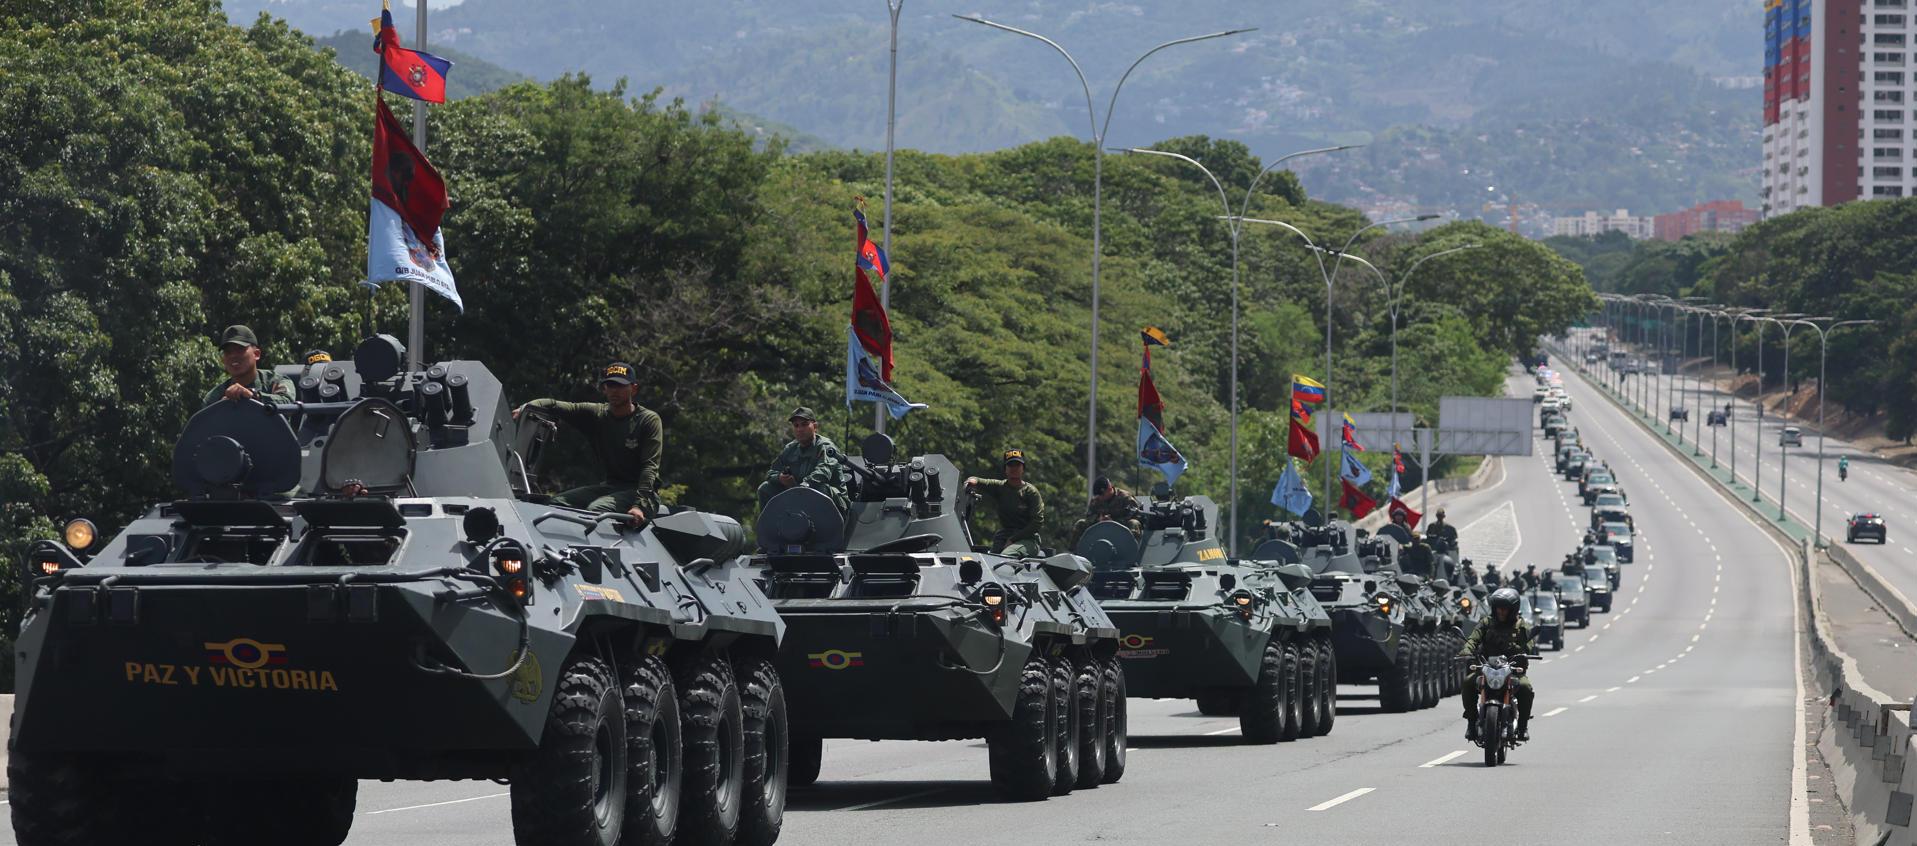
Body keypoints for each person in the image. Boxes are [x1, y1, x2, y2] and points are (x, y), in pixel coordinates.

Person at [516, 362, 663, 524]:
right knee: (556, 503)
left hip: (642, 493)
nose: (615, 390)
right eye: (610, 385)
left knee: (597, 510)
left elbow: (649, 467)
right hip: (611, 487)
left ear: (633, 389)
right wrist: (527, 407)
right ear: (604, 389)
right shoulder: (597, 413)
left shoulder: (648, 420)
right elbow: (555, 405)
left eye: (620, 386)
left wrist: (639, 506)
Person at [1458, 587, 1536, 741]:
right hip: (1487, 667)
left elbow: (1529, 642)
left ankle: (1522, 726)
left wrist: (1525, 651)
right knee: (1468, 683)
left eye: (1505, 609)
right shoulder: (1486, 622)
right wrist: (1467, 650)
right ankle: (1472, 721)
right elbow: (1473, 639)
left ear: (1512, 609)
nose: (1501, 612)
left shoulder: (1521, 625)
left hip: (1513, 670)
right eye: (1499, 608)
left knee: (1526, 688)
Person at [757, 407, 847, 512]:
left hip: (836, 507)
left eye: (804, 424)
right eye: (796, 425)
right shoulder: (790, 449)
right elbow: (771, 473)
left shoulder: (825, 446)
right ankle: (773, 527)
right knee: (765, 488)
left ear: (815, 426)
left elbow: (822, 473)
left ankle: (823, 527)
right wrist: (781, 478)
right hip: (801, 499)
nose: (800, 429)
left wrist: (800, 487)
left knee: (818, 489)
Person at [966, 450, 1046, 558]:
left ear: (1023, 468)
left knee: (1007, 556)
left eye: (1017, 465)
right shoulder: (1000, 487)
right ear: (1005, 469)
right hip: (1004, 536)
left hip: (1028, 539)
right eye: (1010, 465)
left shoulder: (1030, 492)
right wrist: (971, 480)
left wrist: (1013, 539)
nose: (1014, 468)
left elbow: (1037, 522)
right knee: (990, 559)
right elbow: (979, 481)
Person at [202, 324, 295, 408]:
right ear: (223, 360)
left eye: (240, 349)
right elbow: (205, 423)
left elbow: (288, 404)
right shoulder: (215, 396)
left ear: (256, 354)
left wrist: (253, 396)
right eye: (228, 352)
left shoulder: (276, 381)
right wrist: (221, 409)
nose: (233, 355)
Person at [1070, 476, 1143, 548]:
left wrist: (1114, 522)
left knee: (1134, 523)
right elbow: (1089, 516)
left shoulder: (1125, 498)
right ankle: (1074, 553)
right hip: (1100, 527)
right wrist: (1099, 520)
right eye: (1098, 496)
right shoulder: (1096, 500)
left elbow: (1136, 516)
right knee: (1081, 523)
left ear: (1109, 489)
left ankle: (1131, 552)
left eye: (1102, 495)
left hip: (1121, 530)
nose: (1100, 498)